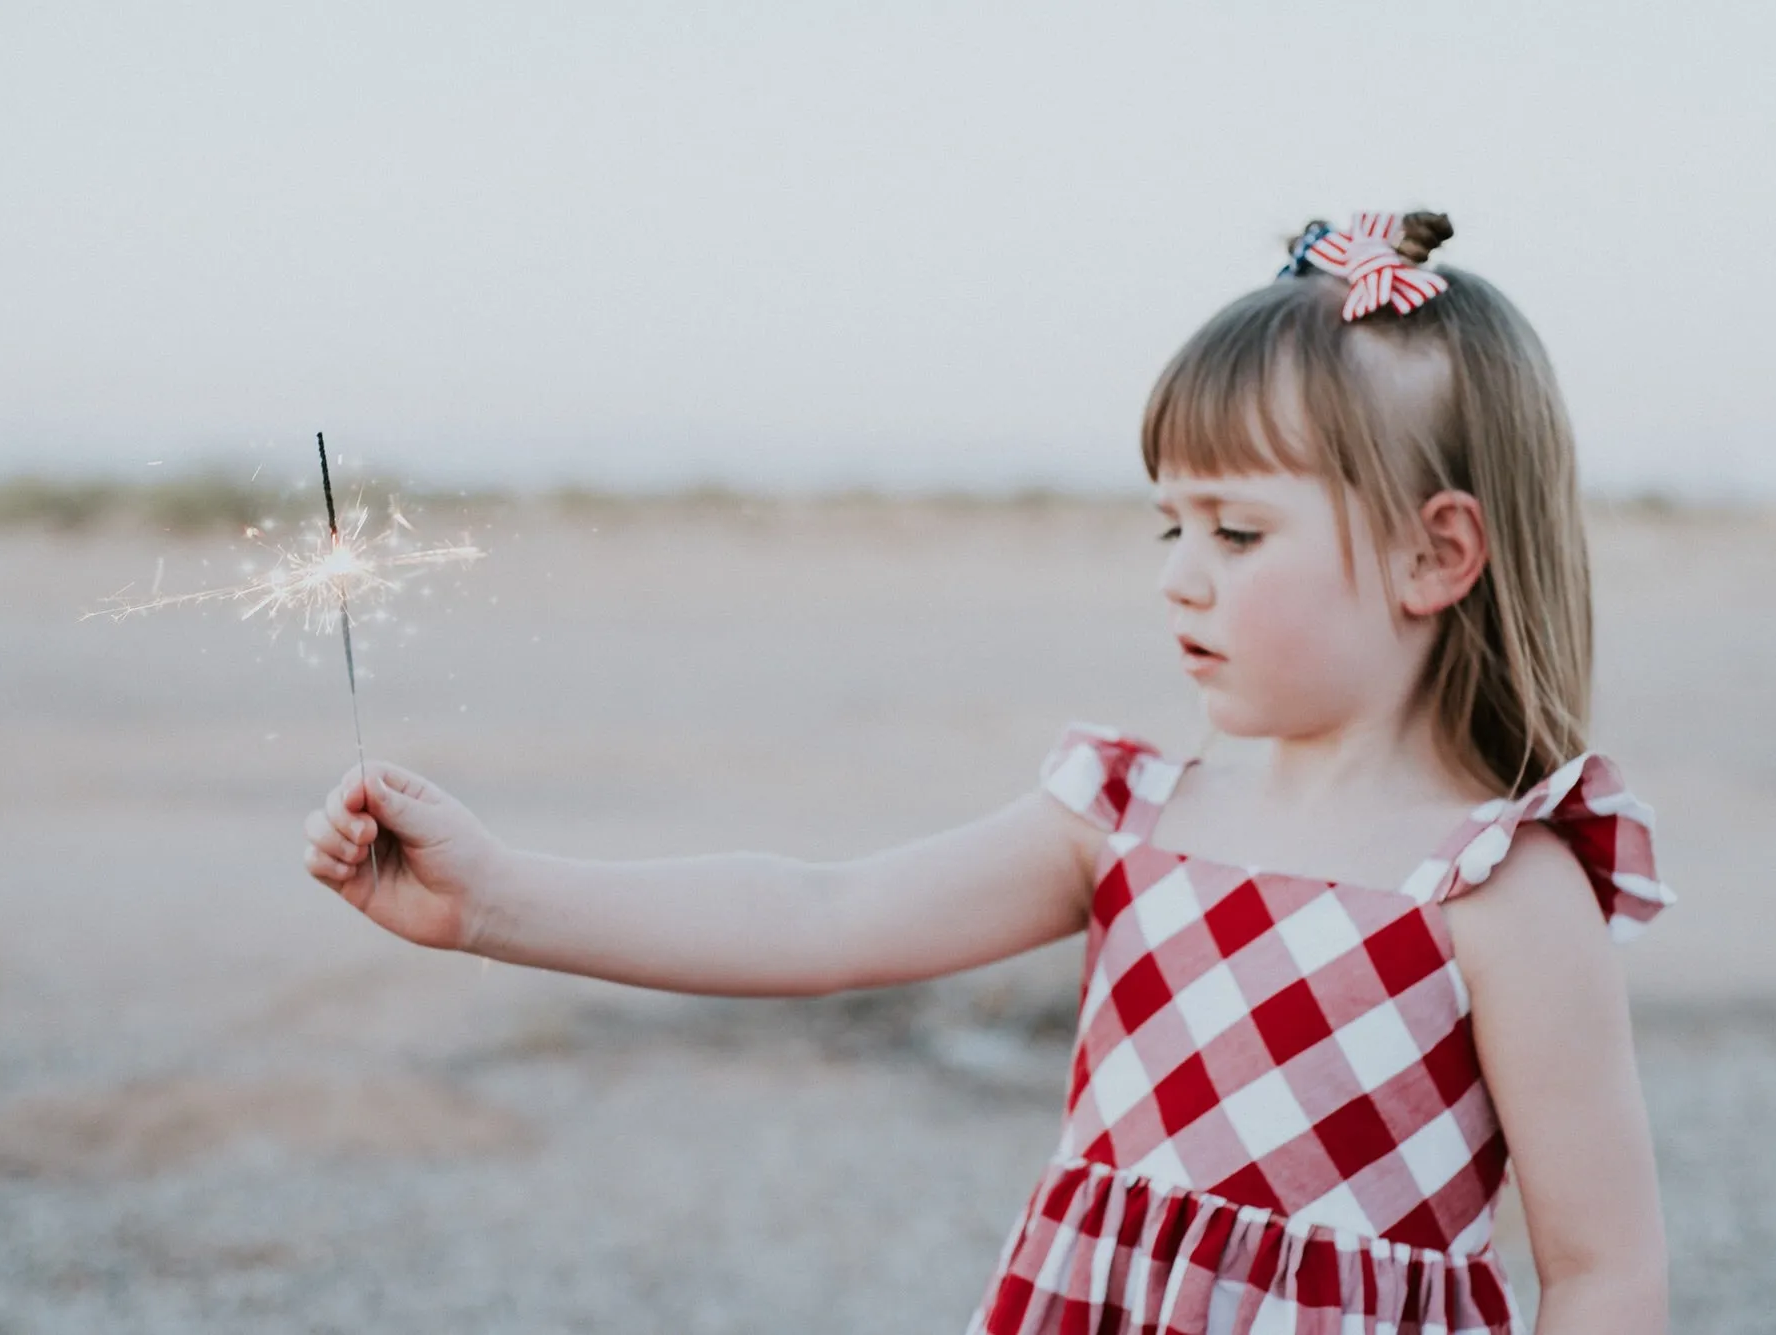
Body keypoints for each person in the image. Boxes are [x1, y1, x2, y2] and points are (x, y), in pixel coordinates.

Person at [302, 209, 1674, 1334]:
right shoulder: (1133, 816)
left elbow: (1605, 1270)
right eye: (1169, 525)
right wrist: (495, 900)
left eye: (1240, 532)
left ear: (1440, 554)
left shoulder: (1498, 891)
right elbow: (821, 914)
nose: (1180, 578)